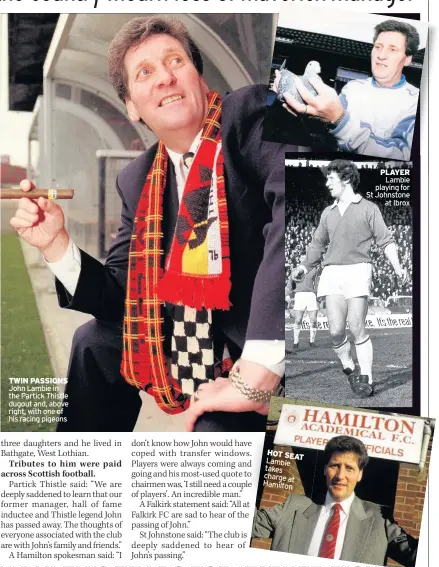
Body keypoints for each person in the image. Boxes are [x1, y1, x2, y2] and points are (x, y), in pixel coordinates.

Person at [10, 16, 290, 432]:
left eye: (175, 61)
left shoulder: (248, 115)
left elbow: (298, 206)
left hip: (261, 341)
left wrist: (262, 362)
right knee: (93, 341)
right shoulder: (138, 177)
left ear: (198, 77)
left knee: (212, 429)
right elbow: (123, 295)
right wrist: (56, 245)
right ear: (131, 106)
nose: (165, 79)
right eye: (145, 72)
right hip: (186, 342)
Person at [291, 160, 407, 397]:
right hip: (332, 272)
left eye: (331, 178)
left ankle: (366, 376)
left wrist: (397, 267)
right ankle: (349, 367)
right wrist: (304, 267)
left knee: (356, 325)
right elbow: (317, 245)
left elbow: (386, 240)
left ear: (345, 180)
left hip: (358, 270)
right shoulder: (327, 213)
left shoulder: (368, 208)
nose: (327, 183)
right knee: (335, 331)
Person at [252, 436, 417, 567]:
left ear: (360, 474)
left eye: (349, 468)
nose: (340, 476)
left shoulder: (380, 520)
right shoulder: (293, 507)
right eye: (334, 466)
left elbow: (418, 556)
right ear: (325, 469)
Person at [276, 19, 420, 160]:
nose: (381, 56)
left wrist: (339, 120)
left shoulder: (416, 101)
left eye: (392, 49)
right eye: (378, 46)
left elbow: (402, 156)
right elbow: (323, 128)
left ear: (407, 59)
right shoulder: (353, 87)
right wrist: (300, 103)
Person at [285, 255, 318, 349]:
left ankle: (312, 341)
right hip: (299, 295)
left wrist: (317, 294)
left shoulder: (313, 270)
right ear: (299, 259)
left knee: (314, 320)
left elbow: (316, 284)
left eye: (306, 258)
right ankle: (296, 342)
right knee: (298, 320)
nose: (304, 260)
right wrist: (287, 294)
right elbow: (289, 285)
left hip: (311, 295)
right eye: (302, 258)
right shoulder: (294, 271)